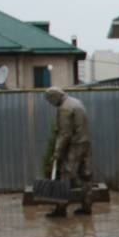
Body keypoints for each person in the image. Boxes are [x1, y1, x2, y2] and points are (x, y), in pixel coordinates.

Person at [45, 87, 93, 217]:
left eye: (50, 101)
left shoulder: (64, 108)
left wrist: (57, 152)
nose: (51, 103)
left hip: (75, 145)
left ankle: (61, 209)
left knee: (65, 176)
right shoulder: (77, 102)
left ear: (54, 97)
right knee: (86, 176)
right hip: (86, 143)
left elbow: (64, 134)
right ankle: (87, 206)